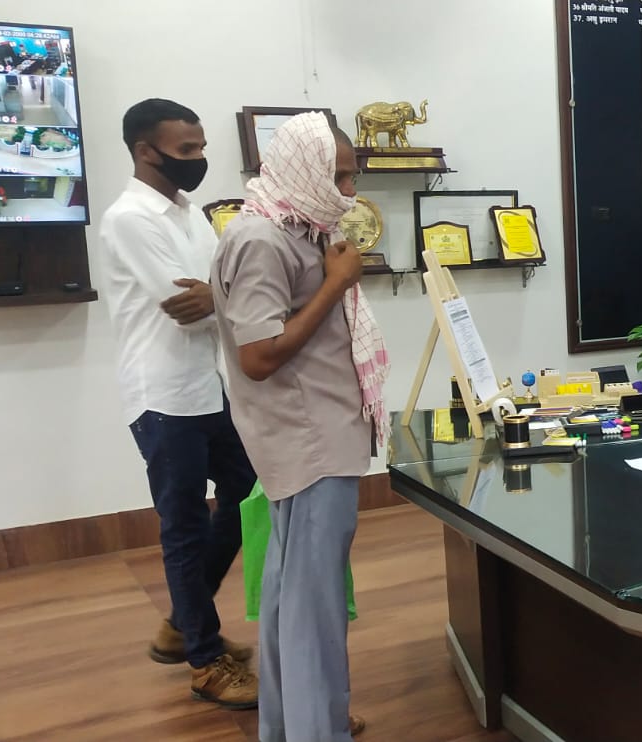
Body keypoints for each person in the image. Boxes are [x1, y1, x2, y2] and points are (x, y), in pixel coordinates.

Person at [211, 112, 387, 741]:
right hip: (310, 441)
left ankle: (293, 726)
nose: (348, 191)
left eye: (351, 175)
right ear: (300, 169)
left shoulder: (295, 225)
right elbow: (258, 357)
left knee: (291, 598)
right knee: (314, 610)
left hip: (314, 436)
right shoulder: (262, 238)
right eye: (336, 176)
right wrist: (335, 285)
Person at [99, 98, 258, 710]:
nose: (199, 158)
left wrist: (218, 294)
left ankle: (184, 624)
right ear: (146, 151)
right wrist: (222, 294)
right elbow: (186, 307)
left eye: (201, 147)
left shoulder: (191, 214)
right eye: (186, 150)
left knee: (248, 492)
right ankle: (204, 660)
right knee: (185, 525)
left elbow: (215, 291)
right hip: (161, 395)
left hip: (205, 386)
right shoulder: (129, 218)